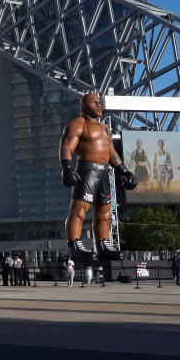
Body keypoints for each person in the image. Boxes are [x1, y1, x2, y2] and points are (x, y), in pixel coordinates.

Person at [59, 92, 137, 260]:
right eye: (94, 103)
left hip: (103, 172)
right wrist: (66, 168)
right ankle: (75, 244)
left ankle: (103, 245)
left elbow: (111, 152)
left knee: (104, 212)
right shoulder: (76, 125)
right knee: (79, 210)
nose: (99, 105)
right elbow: (66, 147)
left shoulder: (105, 128)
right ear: (84, 106)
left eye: (99, 102)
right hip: (87, 170)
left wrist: (124, 171)